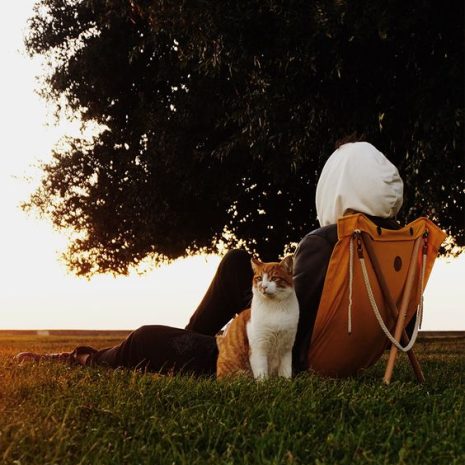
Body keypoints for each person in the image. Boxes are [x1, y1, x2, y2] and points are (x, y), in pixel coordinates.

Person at [15, 140, 404, 376]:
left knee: (144, 339)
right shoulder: (397, 247)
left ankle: (82, 360)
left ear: (336, 183)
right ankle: (191, 339)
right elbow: (403, 331)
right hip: (322, 342)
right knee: (238, 263)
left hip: (276, 354)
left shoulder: (326, 243)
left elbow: (290, 330)